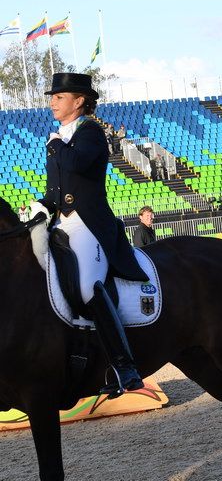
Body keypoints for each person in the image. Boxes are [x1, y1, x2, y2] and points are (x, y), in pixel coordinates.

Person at [29, 72, 148, 398]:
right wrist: (40, 206)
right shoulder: (60, 138)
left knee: (86, 287)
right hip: (61, 224)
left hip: (88, 225)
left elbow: (78, 164)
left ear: (79, 101)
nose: (52, 103)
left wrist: (55, 144)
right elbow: (56, 191)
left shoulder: (91, 132)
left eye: (59, 97)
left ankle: (125, 366)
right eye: (52, 98)